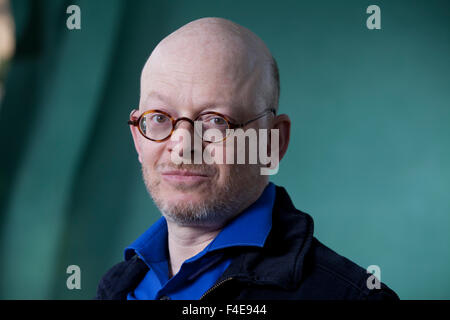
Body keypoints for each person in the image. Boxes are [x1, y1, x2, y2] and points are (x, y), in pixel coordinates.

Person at [96, 17, 399, 300]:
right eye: (160, 117)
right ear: (138, 136)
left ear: (272, 141)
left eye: (216, 121)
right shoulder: (118, 286)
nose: (183, 145)